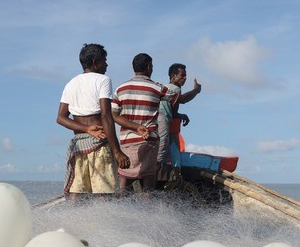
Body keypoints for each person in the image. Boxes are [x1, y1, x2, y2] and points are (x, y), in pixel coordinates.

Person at [56, 43, 129, 200]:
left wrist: (85, 129)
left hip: (79, 147)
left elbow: (61, 118)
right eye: (104, 60)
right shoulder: (103, 80)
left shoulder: (71, 83)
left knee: (76, 194)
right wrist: (117, 151)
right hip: (99, 145)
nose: (107, 64)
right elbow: (106, 116)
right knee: (104, 194)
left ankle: (71, 224)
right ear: (95, 62)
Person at [112, 53, 178, 195]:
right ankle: (147, 215)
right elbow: (176, 98)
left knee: (124, 182)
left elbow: (114, 115)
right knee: (148, 187)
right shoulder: (156, 88)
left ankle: (122, 212)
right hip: (149, 140)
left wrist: (133, 127)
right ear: (148, 67)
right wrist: (195, 90)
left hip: (127, 142)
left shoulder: (120, 89)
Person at [157, 63, 202, 182]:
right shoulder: (174, 88)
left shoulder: (170, 88)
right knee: (163, 153)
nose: (185, 78)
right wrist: (196, 90)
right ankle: (159, 179)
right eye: (182, 75)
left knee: (164, 153)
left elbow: (172, 110)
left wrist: (181, 115)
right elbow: (183, 100)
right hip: (162, 122)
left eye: (185, 76)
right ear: (173, 76)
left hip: (163, 121)